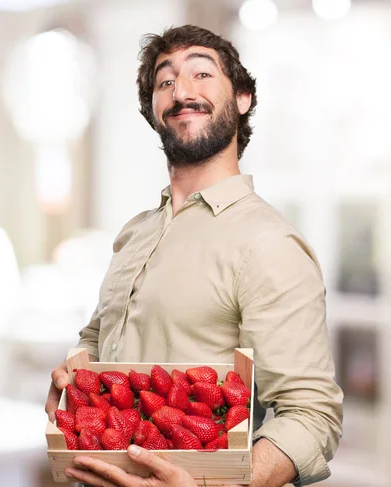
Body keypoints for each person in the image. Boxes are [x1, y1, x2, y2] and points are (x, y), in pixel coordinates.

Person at [45, 24, 343, 487]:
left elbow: (310, 414)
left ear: (242, 98)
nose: (182, 90)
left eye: (202, 74)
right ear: (153, 111)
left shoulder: (268, 243)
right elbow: (97, 334)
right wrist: (73, 381)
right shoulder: (135, 234)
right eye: (165, 82)